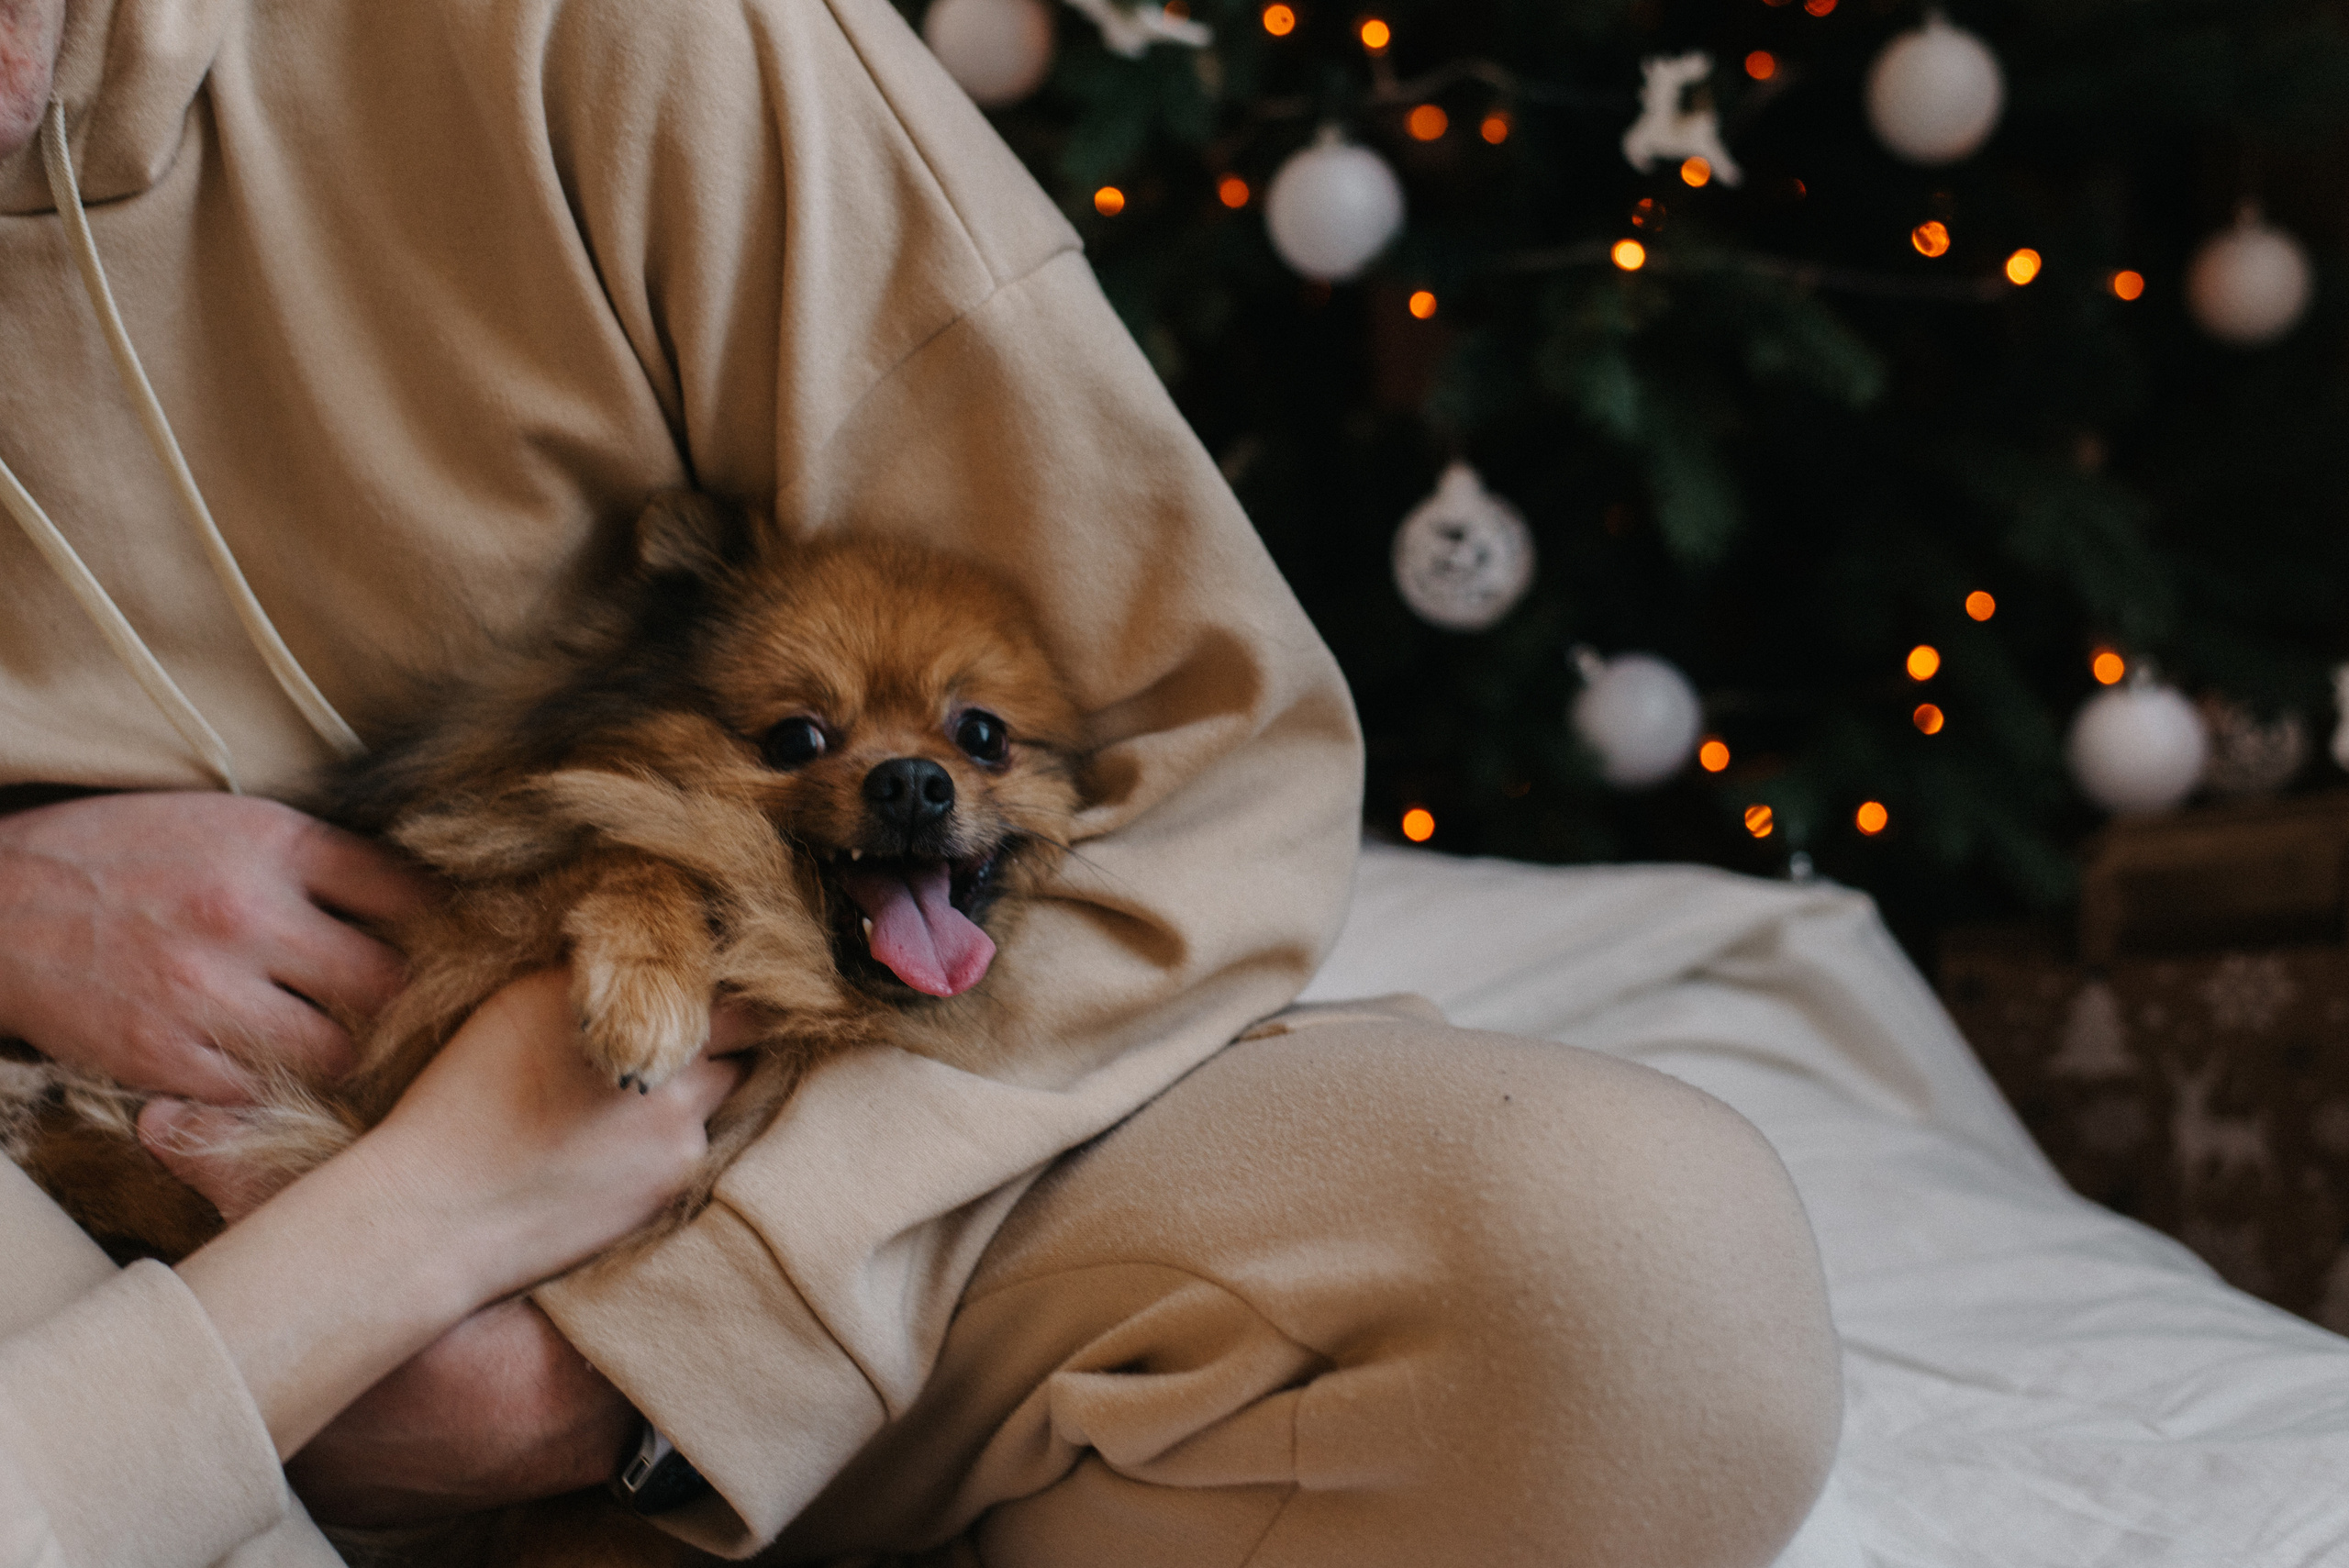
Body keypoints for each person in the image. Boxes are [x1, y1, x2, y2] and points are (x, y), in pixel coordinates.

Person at [0, 0, 1843, 1563]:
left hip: (825, 1182)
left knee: (1636, 1291)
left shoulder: (618, 39)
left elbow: (1208, 768)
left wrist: (659, 1358)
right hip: (71, 1240)